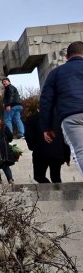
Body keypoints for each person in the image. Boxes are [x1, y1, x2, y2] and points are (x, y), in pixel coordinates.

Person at [40, 41, 83, 176]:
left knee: (80, 152)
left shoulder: (55, 73)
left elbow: (46, 102)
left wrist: (47, 127)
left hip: (71, 116)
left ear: (66, 56)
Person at [25, 108, 69, 183]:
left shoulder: (32, 118)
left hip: (40, 152)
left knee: (39, 176)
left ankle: (50, 190)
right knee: (56, 177)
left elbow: (28, 136)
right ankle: (59, 193)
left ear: (38, 109)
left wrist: (32, 147)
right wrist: (67, 155)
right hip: (57, 152)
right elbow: (65, 138)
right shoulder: (59, 118)